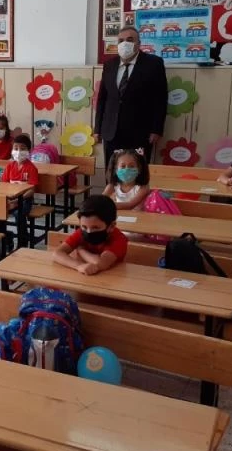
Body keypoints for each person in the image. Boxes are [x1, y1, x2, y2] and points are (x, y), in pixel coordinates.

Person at [94, 26, 168, 168]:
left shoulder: (154, 64)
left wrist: (156, 129)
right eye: (121, 41)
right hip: (111, 131)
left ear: (138, 43)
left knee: (137, 172)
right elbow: (102, 98)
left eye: (129, 40)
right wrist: (97, 129)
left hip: (140, 132)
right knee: (112, 170)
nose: (124, 43)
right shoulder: (110, 65)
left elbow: (160, 99)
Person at [53, 195, 128, 276]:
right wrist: (79, 266)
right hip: (83, 276)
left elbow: (100, 263)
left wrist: (81, 250)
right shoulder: (80, 232)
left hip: (111, 279)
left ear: (111, 226)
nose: (88, 231)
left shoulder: (119, 239)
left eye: (95, 227)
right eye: (84, 227)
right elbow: (57, 253)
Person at [0, 134, 39, 249]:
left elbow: (31, 190)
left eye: (22, 149)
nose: (18, 152)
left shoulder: (31, 168)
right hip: (10, 199)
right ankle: (6, 237)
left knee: (19, 214)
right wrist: (8, 200)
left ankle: (23, 243)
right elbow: (3, 186)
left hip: (25, 200)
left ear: (29, 150)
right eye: (16, 148)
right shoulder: (10, 167)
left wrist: (18, 200)